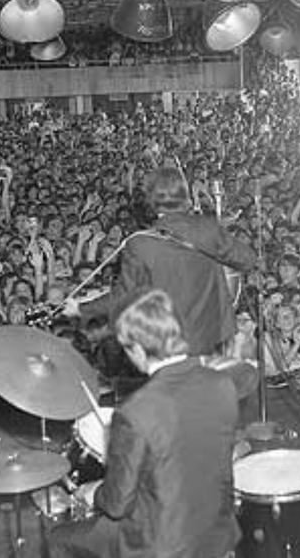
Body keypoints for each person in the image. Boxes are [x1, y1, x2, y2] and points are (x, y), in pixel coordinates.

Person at [51, 289, 241, 558]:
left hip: (162, 544)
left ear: (138, 348)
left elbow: (117, 504)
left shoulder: (135, 410)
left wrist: (93, 492)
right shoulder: (221, 384)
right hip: (218, 528)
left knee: (59, 538)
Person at [67, 167, 255, 356]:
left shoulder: (140, 242)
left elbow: (123, 297)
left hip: (168, 342)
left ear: (151, 200)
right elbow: (247, 260)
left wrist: (81, 309)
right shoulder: (208, 228)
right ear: (185, 196)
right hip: (212, 339)